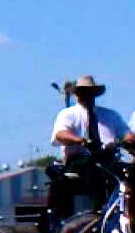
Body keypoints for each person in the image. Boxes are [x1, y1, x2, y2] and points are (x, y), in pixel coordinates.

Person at [50, 75, 129, 219]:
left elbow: (127, 134)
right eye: (83, 91)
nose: (87, 95)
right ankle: (99, 210)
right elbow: (60, 134)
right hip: (80, 159)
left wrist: (126, 141)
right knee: (94, 169)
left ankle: (129, 212)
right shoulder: (68, 114)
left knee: (129, 173)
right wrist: (81, 140)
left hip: (108, 158)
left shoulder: (110, 115)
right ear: (77, 94)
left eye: (90, 91)